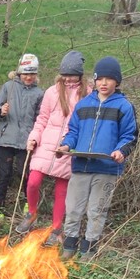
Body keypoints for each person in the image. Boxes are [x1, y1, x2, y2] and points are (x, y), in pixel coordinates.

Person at [57, 56, 138, 260]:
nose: (104, 83)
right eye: (100, 79)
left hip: (107, 169)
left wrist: (120, 151)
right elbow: (73, 131)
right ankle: (69, 246)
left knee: (97, 210)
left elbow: (129, 136)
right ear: (94, 80)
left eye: (109, 79)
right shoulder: (83, 104)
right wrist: (66, 145)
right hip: (81, 166)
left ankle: (89, 248)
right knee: (73, 208)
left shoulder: (124, 106)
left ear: (117, 82)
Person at [24, 50, 91, 246]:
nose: (68, 79)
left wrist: (74, 145)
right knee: (33, 181)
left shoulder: (87, 94)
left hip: (68, 148)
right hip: (46, 145)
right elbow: (42, 118)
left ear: (80, 75)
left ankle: (56, 228)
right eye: (65, 74)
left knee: (61, 191)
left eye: (72, 75)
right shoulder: (51, 92)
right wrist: (34, 137)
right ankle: (31, 213)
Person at [0, 53, 43, 217]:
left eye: (32, 73)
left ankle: (28, 203)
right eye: (26, 73)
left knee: (25, 173)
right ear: (19, 73)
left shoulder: (39, 93)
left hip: (25, 140)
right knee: (4, 173)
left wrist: (36, 136)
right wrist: (1, 110)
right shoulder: (9, 87)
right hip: (6, 138)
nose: (28, 77)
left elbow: (40, 117)